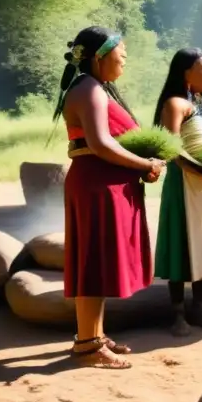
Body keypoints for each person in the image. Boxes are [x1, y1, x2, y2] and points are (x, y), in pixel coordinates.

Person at [57, 26, 164, 369]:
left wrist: (137, 168)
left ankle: (94, 336)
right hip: (97, 186)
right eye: (122, 53)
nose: (125, 59)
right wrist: (145, 163)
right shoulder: (89, 90)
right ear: (100, 56)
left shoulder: (94, 88)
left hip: (105, 184)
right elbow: (101, 144)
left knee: (98, 260)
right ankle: (87, 345)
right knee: (93, 262)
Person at [153, 48, 202, 336]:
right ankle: (178, 315)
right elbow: (171, 149)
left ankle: (199, 310)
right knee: (180, 246)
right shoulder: (175, 104)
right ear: (186, 72)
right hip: (184, 184)